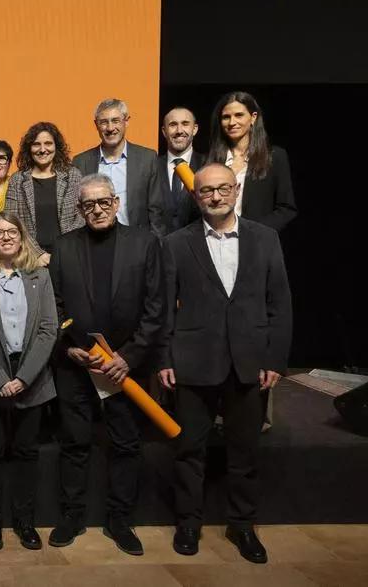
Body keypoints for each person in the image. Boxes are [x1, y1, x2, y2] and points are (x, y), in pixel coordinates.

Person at [158, 163, 292, 564]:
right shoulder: (175, 244)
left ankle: (243, 525)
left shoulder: (266, 238)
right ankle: (188, 523)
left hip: (250, 363)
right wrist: (164, 358)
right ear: (195, 196)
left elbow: (280, 303)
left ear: (236, 191)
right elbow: (163, 308)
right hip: (192, 362)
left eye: (222, 189)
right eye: (206, 191)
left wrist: (275, 359)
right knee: (189, 451)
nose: (215, 196)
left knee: (245, 453)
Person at [46, 173, 164, 556]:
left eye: (103, 202)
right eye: (88, 204)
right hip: (76, 365)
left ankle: (120, 520)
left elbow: (155, 308)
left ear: (116, 203)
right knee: (74, 443)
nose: (96, 210)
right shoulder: (63, 246)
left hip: (124, 368)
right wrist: (68, 348)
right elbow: (54, 306)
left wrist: (129, 357)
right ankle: (72, 516)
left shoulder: (145, 243)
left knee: (126, 444)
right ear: (79, 209)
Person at [0, 211, 58, 551]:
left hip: (32, 376)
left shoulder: (40, 275)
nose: (5, 237)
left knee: (26, 453)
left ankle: (24, 521)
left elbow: (49, 328)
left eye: (12, 231)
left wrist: (24, 377)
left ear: (22, 236)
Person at [73, 98, 166, 237]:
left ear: (126, 121)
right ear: (96, 125)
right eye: (104, 122)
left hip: (136, 241)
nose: (110, 128)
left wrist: (155, 243)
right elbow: (77, 210)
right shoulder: (80, 162)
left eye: (115, 121)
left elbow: (156, 210)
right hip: (92, 240)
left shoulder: (147, 159)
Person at [207, 91, 297, 232]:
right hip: (216, 238)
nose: (232, 122)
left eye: (239, 115)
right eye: (226, 117)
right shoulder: (210, 160)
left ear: (253, 117)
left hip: (258, 240)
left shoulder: (274, 157)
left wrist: (255, 233)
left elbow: (286, 209)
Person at [4, 122, 84, 265]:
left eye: (48, 143)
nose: (42, 149)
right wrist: (37, 254)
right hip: (30, 258)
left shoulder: (72, 175)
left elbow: (81, 216)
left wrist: (63, 250)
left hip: (70, 254)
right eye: (36, 144)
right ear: (29, 148)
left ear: (56, 146)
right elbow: (12, 222)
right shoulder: (17, 180)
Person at [158, 107, 206, 234]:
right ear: (164, 131)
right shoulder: (151, 166)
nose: (179, 131)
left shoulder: (209, 165)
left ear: (194, 129)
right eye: (173, 125)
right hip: (158, 243)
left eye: (185, 124)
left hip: (196, 242)